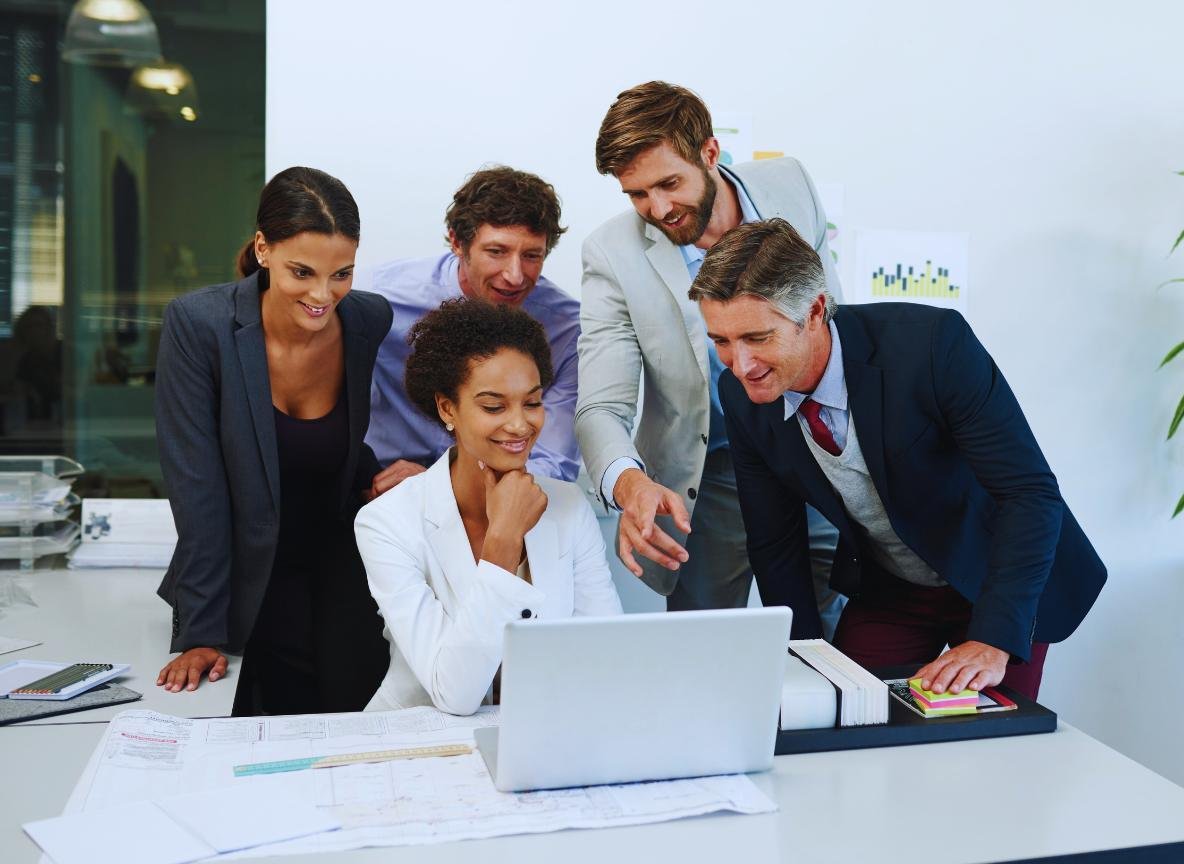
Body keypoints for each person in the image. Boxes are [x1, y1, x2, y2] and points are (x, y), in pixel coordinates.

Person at [690, 218, 1107, 699]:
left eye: (757, 338)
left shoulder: (932, 345)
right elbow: (774, 540)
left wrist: (993, 638)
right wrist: (802, 662)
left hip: (997, 575)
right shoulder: (740, 396)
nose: (740, 365)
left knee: (992, 739)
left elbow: (1028, 493)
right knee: (850, 716)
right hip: (893, 588)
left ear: (814, 311)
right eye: (721, 341)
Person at [577, 80, 844, 623]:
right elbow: (601, 408)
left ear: (711, 153)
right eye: (636, 193)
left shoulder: (791, 184)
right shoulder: (611, 253)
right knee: (701, 649)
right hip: (710, 474)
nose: (657, 207)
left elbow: (832, 320)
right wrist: (630, 485)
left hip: (817, 449)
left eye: (669, 183)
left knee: (835, 638)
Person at [154, 166, 392, 715]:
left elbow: (340, 447)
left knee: (365, 708)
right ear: (263, 248)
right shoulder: (200, 326)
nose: (322, 294)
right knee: (273, 708)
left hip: (337, 561)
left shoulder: (367, 319)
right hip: (246, 570)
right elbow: (198, 489)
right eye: (302, 272)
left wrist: (403, 475)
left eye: (342, 274)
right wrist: (202, 628)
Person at [355, 298, 622, 715]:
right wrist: (503, 539)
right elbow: (455, 694)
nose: (520, 424)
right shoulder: (387, 522)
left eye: (532, 402)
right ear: (448, 408)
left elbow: (607, 657)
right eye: (494, 406)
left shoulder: (568, 506)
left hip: (541, 739)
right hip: (422, 745)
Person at [362, 166, 580, 495]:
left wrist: (441, 482)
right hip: (381, 489)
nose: (515, 276)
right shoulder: (375, 296)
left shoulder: (567, 328)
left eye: (532, 255)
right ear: (457, 242)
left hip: (499, 498)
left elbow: (555, 462)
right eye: (497, 252)